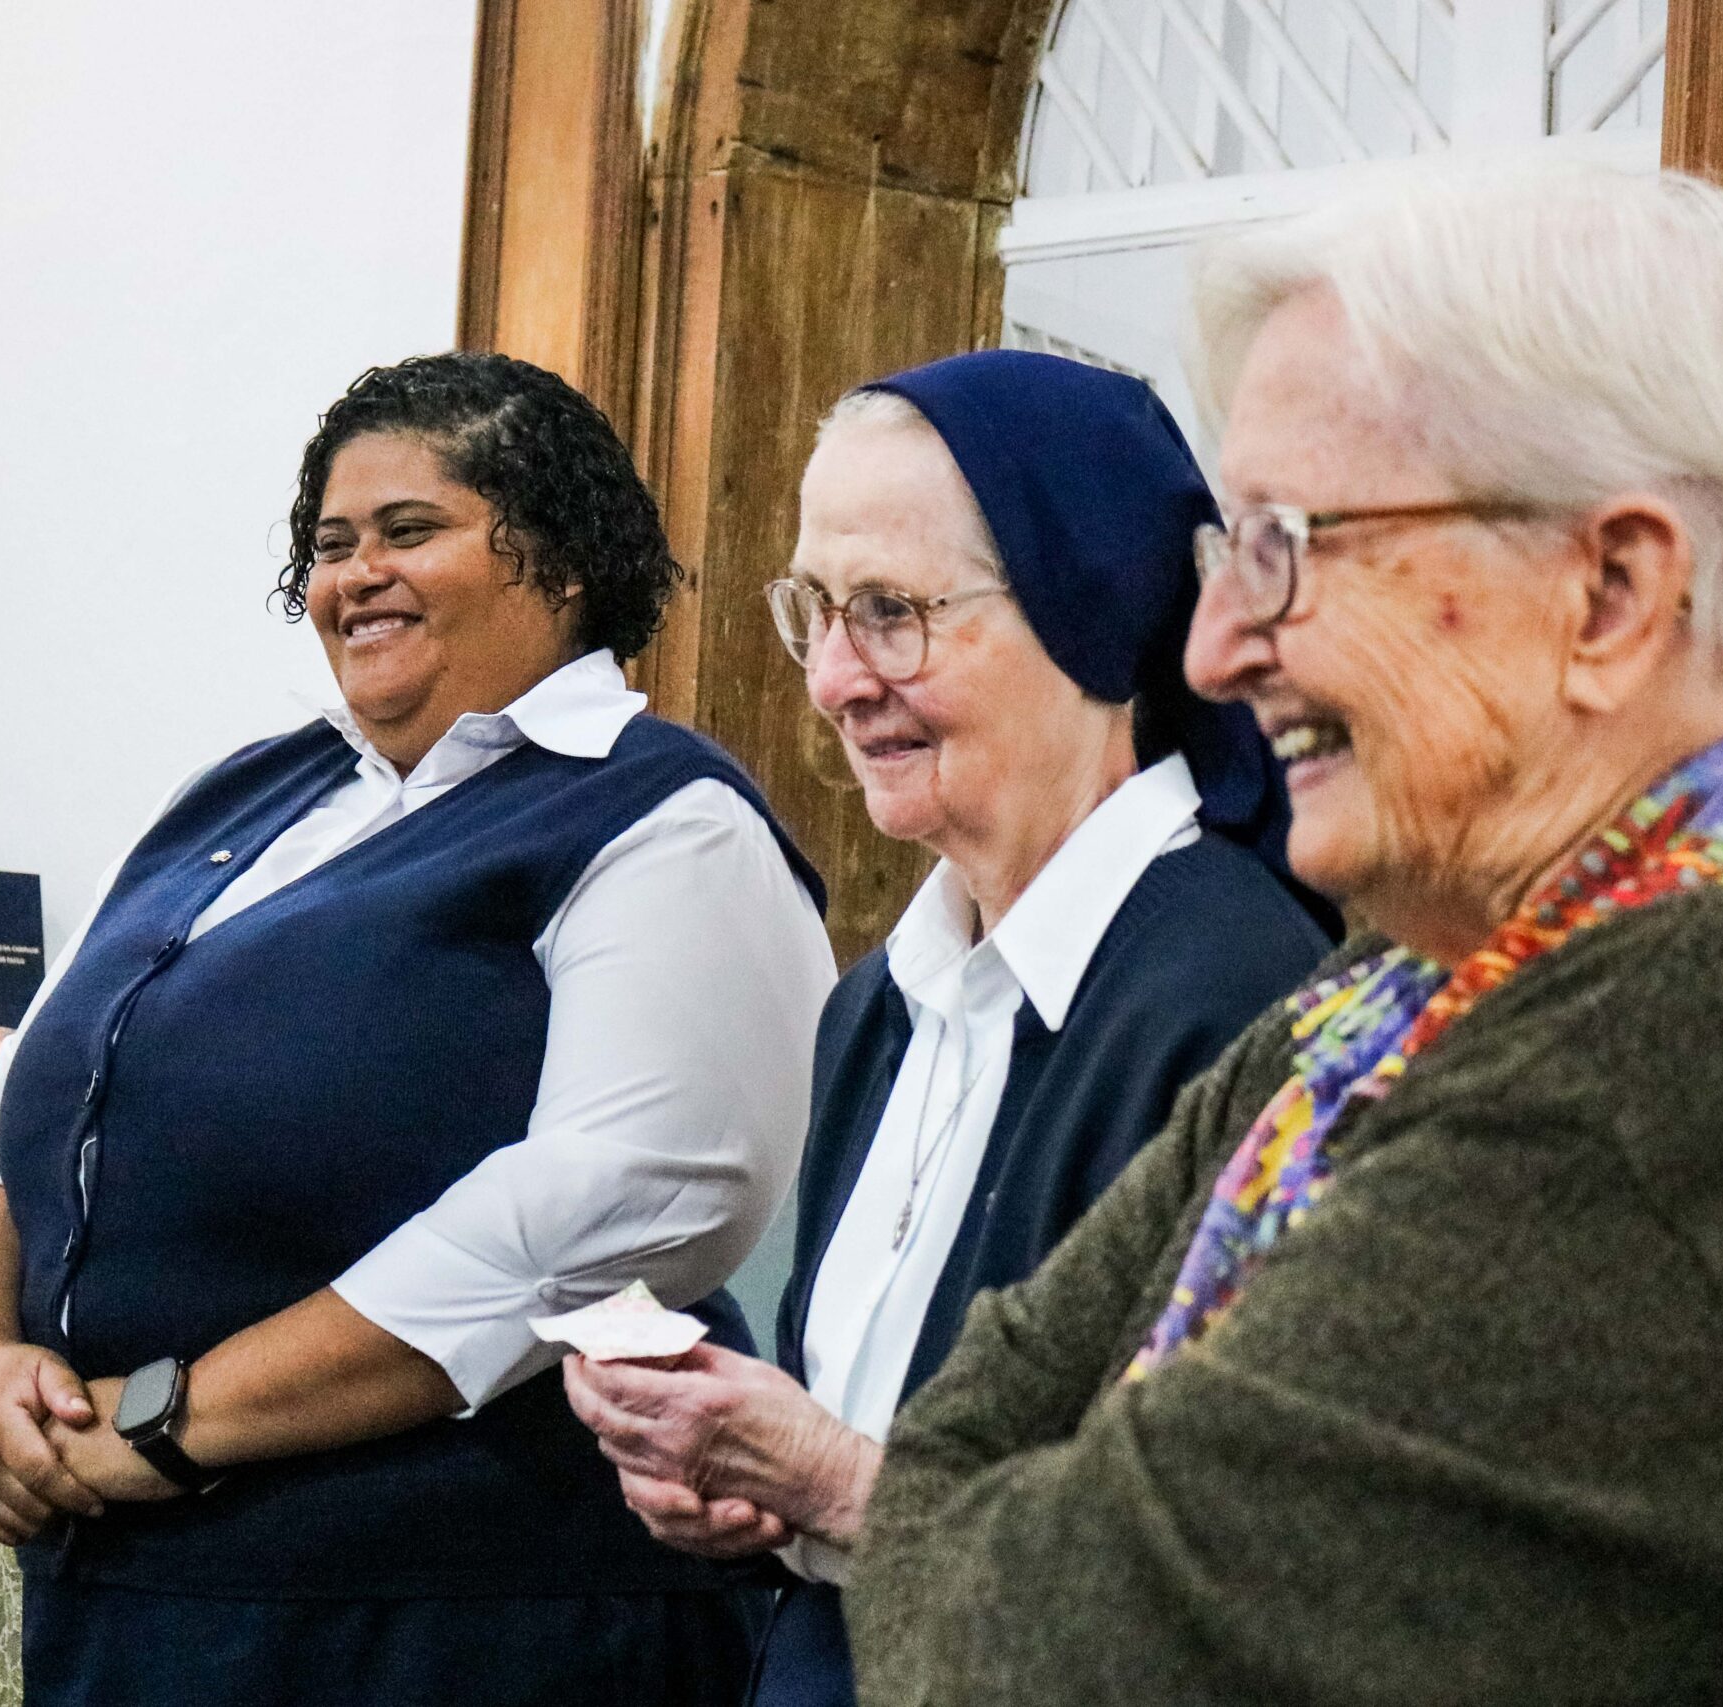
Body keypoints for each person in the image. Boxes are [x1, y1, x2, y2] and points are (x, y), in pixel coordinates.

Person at [832, 159, 1723, 1705]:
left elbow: (1037, 1659)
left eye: (1290, 547)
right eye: (1225, 558)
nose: (1216, 650)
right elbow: (953, 1442)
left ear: (1608, 593)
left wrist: (980, 1533)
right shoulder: (1403, 983)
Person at [0, 351, 836, 1707]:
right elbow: (22, 1094)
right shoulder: (241, 797)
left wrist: (169, 1422)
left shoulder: (663, 820)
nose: (358, 576)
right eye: (333, 544)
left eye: (411, 530)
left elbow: (604, 1208)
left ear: (562, 561)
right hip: (142, 1587)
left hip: (466, 1608)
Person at [561, 351, 1333, 1706]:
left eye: (890, 612)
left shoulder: (1236, 997)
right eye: (815, 612)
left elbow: (1217, 1556)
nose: (834, 680)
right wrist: (751, 1487)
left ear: (1090, 612)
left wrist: (833, 1484)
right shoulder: (876, 1004)